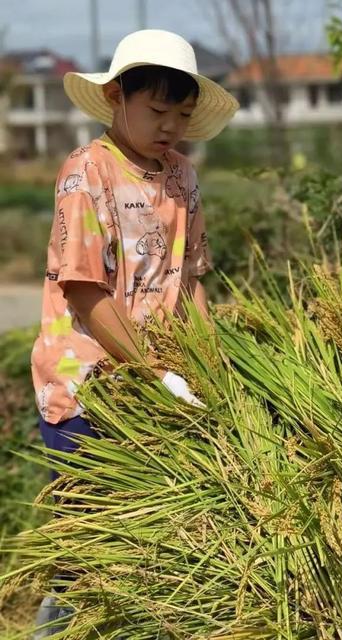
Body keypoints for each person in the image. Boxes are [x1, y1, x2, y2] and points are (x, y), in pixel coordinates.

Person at [30, 29, 238, 637]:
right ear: (117, 97)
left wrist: (210, 366)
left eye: (181, 113)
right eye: (156, 110)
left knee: (149, 544)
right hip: (87, 386)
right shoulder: (86, 171)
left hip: (158, 384)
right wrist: (157, 367)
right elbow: (85, 291)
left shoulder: (183, 178)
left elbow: (191, 280)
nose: (170, 125)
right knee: (87, 549)